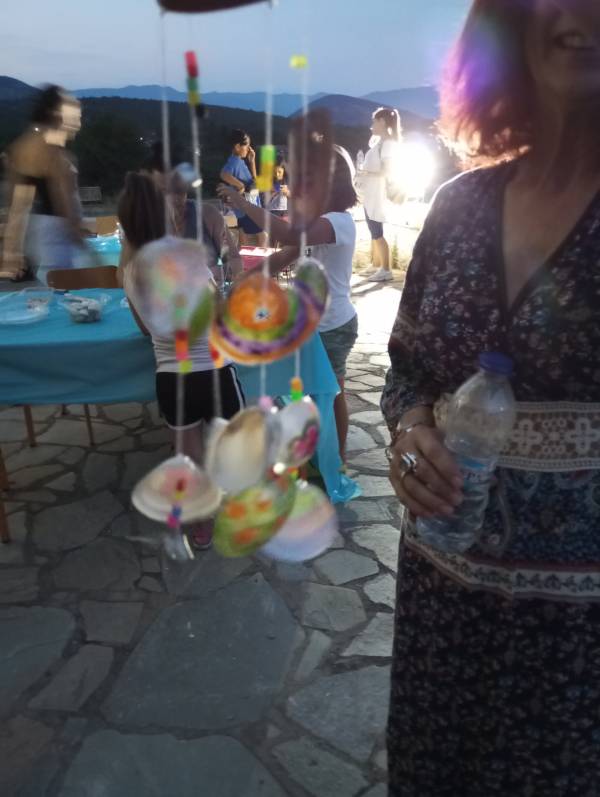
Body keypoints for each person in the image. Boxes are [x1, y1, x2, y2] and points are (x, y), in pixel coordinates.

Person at [382, 1, 600, 795]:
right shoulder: (458, 207)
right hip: (443, 606)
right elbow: (406, 369)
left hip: (577, 645)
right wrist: (410, 438)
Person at [117, 172, 245, 549]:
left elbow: (145, 328)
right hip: (214, 370)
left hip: (172, 376)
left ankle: (201, 524)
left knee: (187, 454)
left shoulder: (130, 271)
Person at [218, 146, 358, 463]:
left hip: (333, 325)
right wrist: (244, 281)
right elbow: (284, 256)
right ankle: (315, 450)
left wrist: (243, 203)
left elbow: (285, 233)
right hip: (313, 323)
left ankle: (338, 458)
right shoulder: (319, 223)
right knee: (312, 390)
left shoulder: (339, 222)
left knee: (332, 392)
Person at [1, 85, 87, 283]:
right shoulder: (52, 152)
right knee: (64, 288)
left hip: (37, 233)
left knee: (52, 287)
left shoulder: (20, 146)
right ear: (56, 113)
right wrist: (81, 240)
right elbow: (64, 202)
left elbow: (15, 203)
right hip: (55, 235)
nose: (77, 116)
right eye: (72, 109)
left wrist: (12, 248)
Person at [169, 167, 243, 287]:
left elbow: (235, 261)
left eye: (179, 190)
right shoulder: (147, 225)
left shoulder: (207, 215)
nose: (174, 198)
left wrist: (211, 273)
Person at [357, 107, 402, 282]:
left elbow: (387, 170)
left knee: (377, 231)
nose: (372, 125)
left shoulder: (388, 144)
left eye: (374, 121)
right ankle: (377, 265)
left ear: (382, 122)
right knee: (373, 229)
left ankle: (386, 269)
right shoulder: (381, 142)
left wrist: (366, 173)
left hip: (377, 194)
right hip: (371, 193)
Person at [219, 129, 268, 247]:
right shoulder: (234, 162)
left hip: (246, 206)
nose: (249, 149)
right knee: (264, 236)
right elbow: (223, 174)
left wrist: (252, 162)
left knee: (243, 238)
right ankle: (263, 259)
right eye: (247, 145)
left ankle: (242, 258)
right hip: (248, 208)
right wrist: (240, 185)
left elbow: (254, 182)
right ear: (237, 147)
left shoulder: (240, 162)